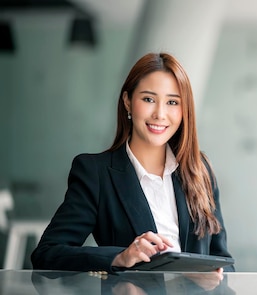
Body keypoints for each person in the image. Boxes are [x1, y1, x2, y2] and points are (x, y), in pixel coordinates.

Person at [31, 52, 234, 276]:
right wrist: (120, 257)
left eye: (172, 102)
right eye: (148, 99)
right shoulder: (96, 173)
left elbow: (225, 263)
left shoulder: (199, 170)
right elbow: (47, 254)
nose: (160, 114)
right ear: (128, 101)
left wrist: (213, 279)